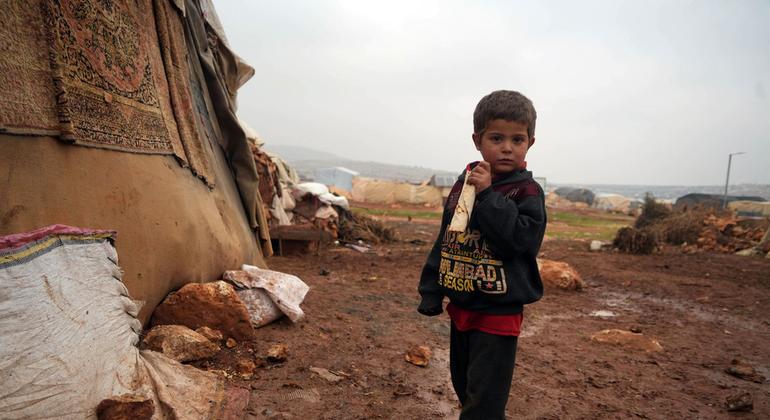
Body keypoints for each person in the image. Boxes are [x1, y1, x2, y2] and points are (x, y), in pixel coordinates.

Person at [417, 90, 546, 419]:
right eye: (497, 137)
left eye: (517, 139)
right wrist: (432, 288)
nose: (507, 147)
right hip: (462, 307)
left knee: (485, 403)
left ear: (530, 142)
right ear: (478, 140)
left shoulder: (526, 192)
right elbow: (449, 238)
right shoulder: (465, 184)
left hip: (498, 312)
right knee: (465, 387)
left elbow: (519, 242)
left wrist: (488, 195)